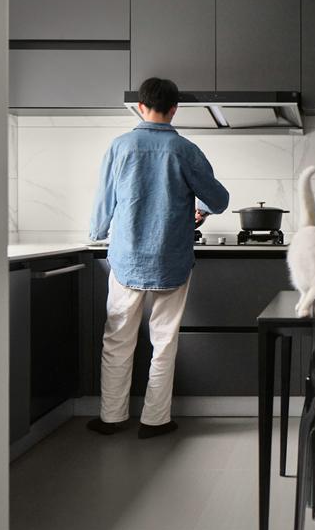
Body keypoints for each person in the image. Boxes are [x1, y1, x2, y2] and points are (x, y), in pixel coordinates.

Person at [88, 76, 229, 439]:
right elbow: (219, 200)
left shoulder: (120, 146)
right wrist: (201, 208)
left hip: (126, 258)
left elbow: (104, 199)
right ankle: (155, 421)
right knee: (163, 341)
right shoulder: (185, 150)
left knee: (117, 339)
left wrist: (96, 233)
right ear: (174, 109)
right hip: (171, 258)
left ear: (140, 107)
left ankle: (111, 417)